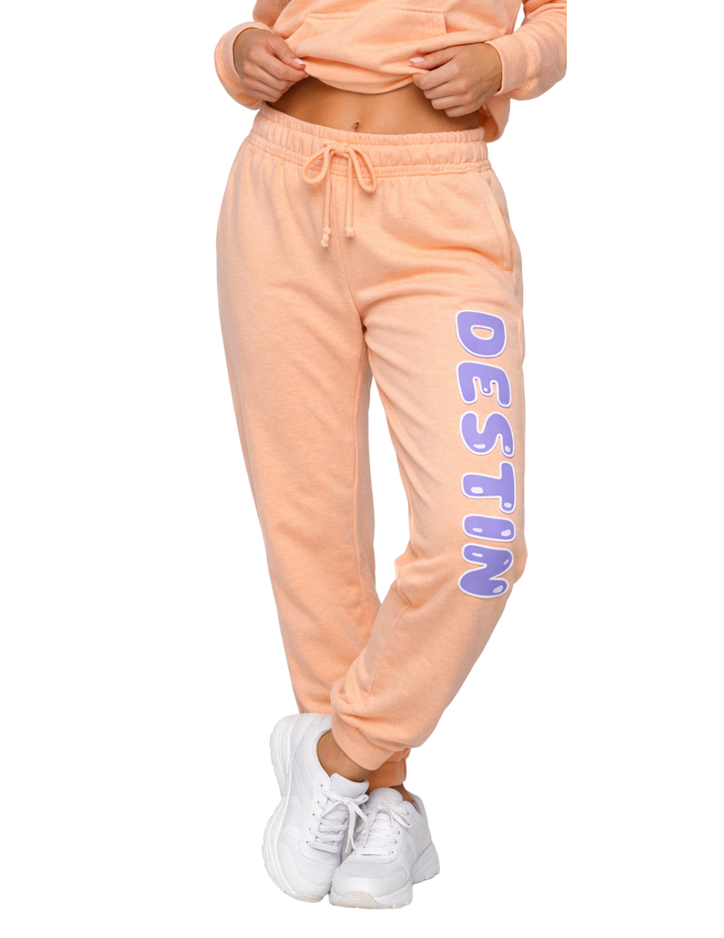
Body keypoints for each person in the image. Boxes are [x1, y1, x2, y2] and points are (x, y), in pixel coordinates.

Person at [214, 0, 566, 909]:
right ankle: (382, 800)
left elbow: (557, 24)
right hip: (281, 186)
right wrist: (237, 51)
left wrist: (506, 62)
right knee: (312, 527)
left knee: (479, 541)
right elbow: (271, 22)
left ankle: (336, 753)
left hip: (440, 210)